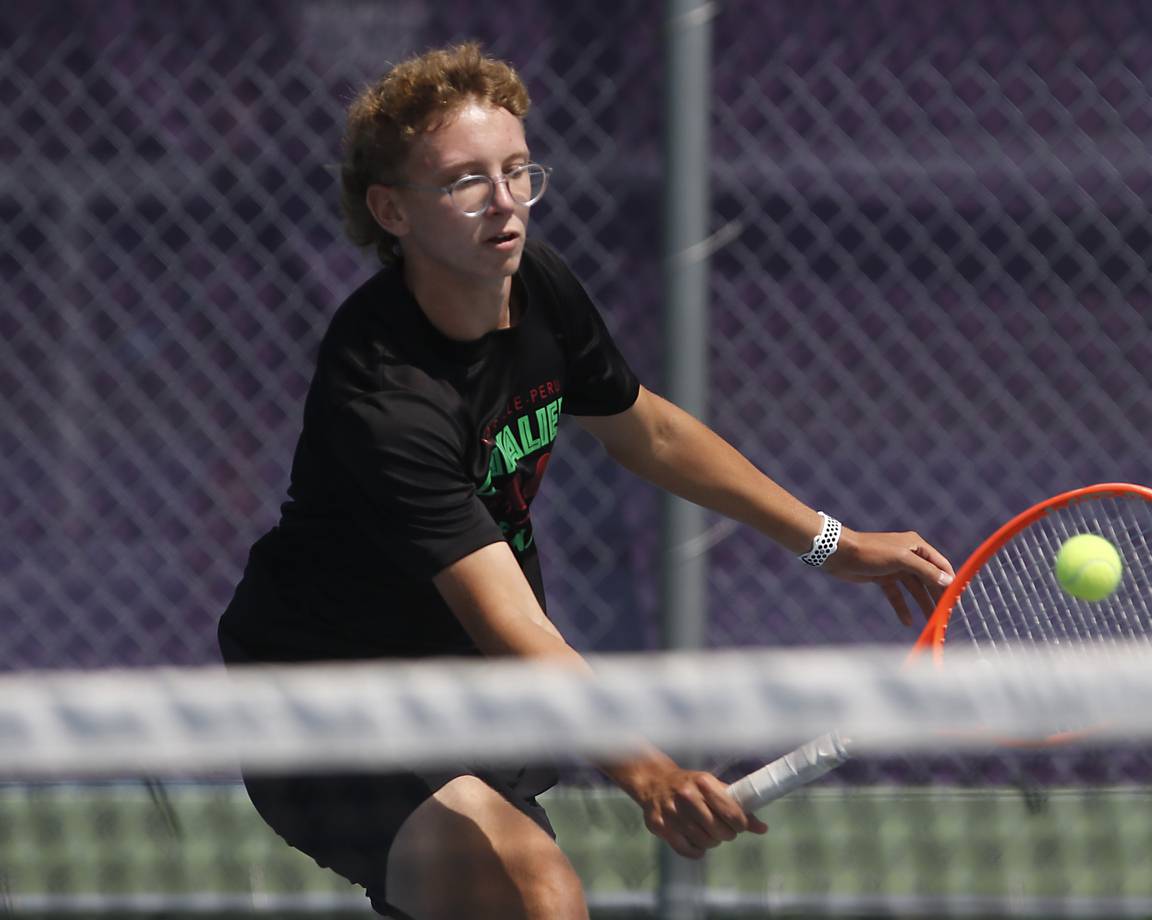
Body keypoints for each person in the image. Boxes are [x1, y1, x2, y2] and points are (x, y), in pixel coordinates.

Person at [217, 42, 956, 920]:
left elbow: (644, 428)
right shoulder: (385, 398)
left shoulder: (534, 286)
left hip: (464, 682)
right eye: (464, 182)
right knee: (537, 892)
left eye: (518, 171)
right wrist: (650, 774)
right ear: (391, 211)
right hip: (328, 702)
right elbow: (512, 621)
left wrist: (830, 542)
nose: (504, 204)